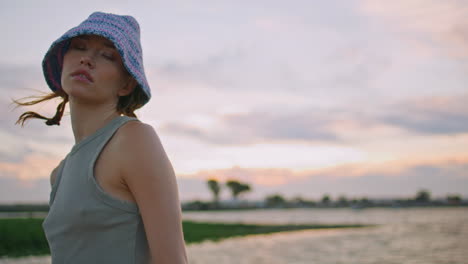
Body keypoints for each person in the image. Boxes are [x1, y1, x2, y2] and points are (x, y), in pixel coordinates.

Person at [12, 12, 188, 264]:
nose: (86, 59)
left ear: (126, 85)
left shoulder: (133, 139)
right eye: (79, 47)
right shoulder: (59, 173)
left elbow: (172, 260)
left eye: (107, 55)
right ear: (62, 63)